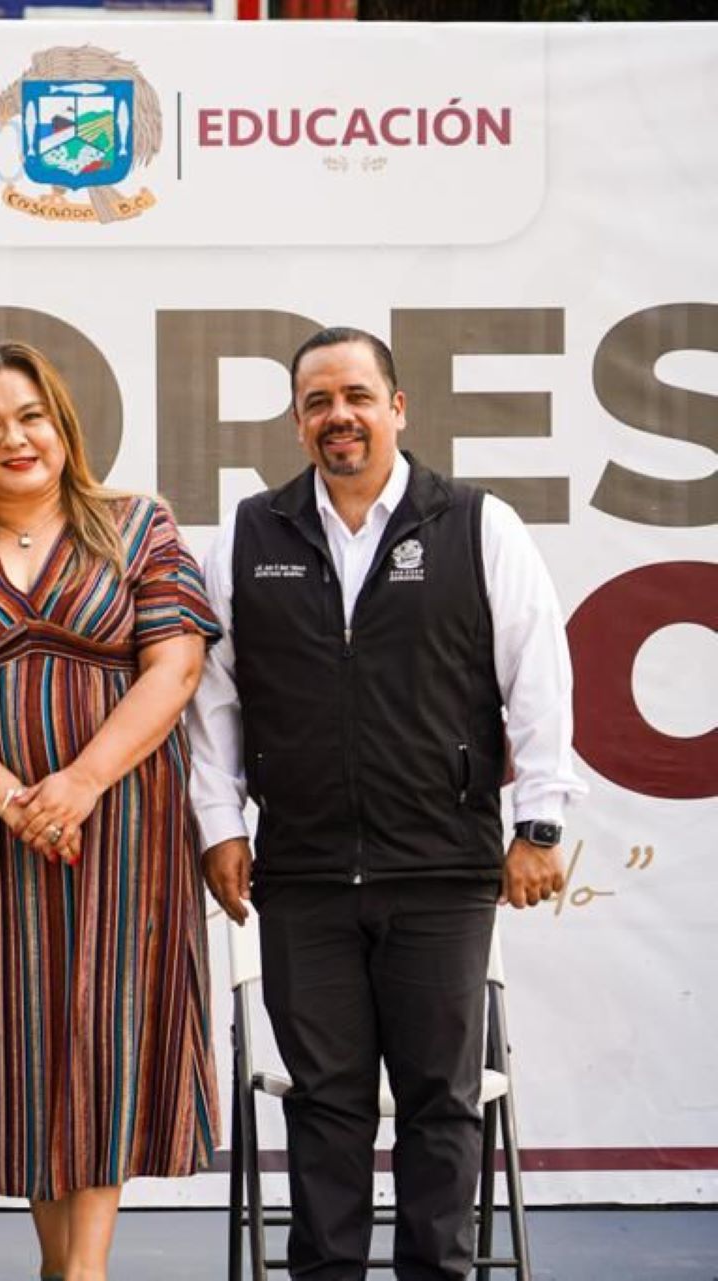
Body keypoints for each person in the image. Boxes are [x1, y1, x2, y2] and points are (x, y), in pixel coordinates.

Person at [186, 327, 583, 1281]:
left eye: (357, 396)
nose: (339, 417)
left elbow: (539, 678)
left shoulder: (479, 525)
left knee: (441, 1103)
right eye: (318, 402)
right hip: (305, 874)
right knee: (324, 1105)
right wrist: (220, 826)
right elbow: (214, 699)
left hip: (442, 872)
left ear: (398, 407)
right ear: (296, 420)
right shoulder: (247, 534)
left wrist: (538, 825)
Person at [0, 342, 220, 1281]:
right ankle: (55, 1262)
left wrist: (80, 783)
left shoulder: (137, 525)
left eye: (30, 415)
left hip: (122, 820)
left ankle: (84, 1270)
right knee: (19, 1034)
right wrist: (15, 800)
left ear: (63, 425)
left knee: (103, 1026)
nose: (13, 438)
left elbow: (176, 666)